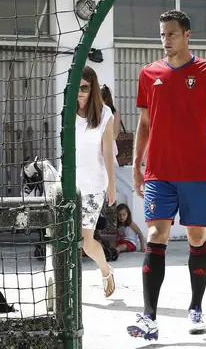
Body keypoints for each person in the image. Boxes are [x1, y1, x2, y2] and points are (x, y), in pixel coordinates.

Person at [127, 10, 206, 340]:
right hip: (159, 172)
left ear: (187, 35)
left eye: (171, 34)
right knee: (157, 235)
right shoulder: (149, 74)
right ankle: (149, 318)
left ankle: (196, 307)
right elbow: (144, 124)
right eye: (162, 34)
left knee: (197, 238)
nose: (166, 40)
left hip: (196, 172)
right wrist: (136, 163)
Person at [75, 65, 118, 298]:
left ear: (92, 89)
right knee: (64, 239)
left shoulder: (105, 115)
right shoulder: (66, 111)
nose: (80, 92)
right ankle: (65, 288)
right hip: (69, 186)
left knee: (85, 241)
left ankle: (105, 270)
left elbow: (108, 152)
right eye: (77, 87)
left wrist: (112, 184)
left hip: (93, 186)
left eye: (85, 88)